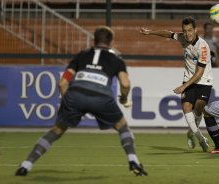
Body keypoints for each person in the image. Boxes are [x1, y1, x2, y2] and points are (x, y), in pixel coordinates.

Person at [15, 26, 148, 176]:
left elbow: (62, 83)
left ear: (94, 40)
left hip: (75, 95)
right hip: (102, 98)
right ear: (111, 42)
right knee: (123, 128)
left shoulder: (81, 55)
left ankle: (26, 165)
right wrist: (123, 99)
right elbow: (125, 84)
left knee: (56, 131)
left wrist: (69, 102)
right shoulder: (117, 60)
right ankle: (133, 161)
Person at [140, 16, 213, 152]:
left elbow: (199, 72)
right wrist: (150, 32)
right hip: (188, 79)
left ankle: (191, 132)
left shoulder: (202, 47)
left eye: (190, 30)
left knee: (198, 108)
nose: (187, 34)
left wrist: (183, 87)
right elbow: (168, 33)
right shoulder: (182, 38)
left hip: (204, 81)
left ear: (196, 30)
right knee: (186, 108)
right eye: (184, 31)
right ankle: (200, 138)